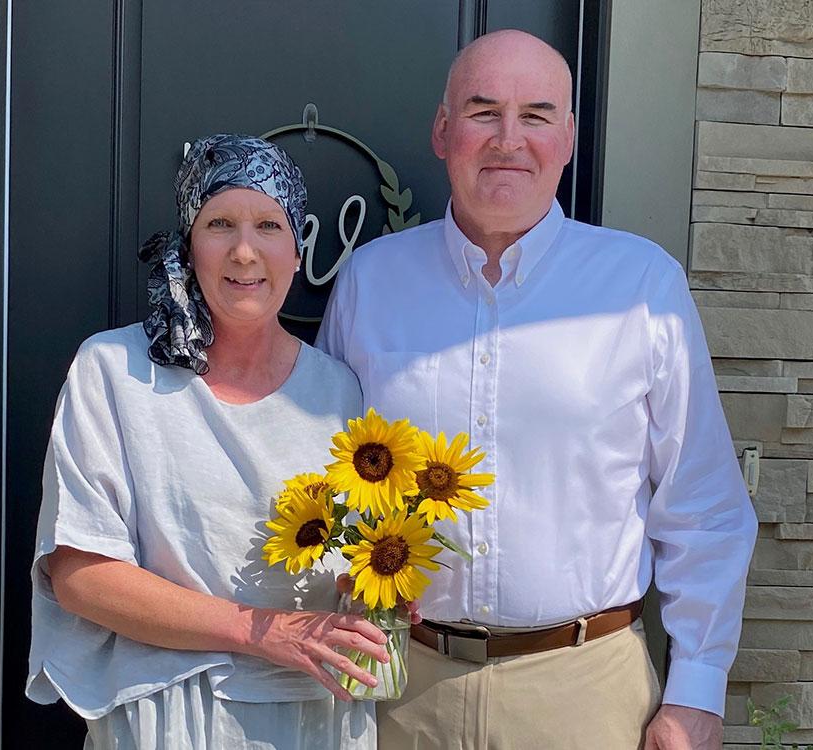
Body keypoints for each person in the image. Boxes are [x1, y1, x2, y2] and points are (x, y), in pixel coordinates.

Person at [317, 30, 758, 749]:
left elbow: (703, 507)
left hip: (587, 691)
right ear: (442, 130)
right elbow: (327, 474)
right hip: (402, 691)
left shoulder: (642, 287)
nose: (508, 140)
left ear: (569, 137)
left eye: (537, 115)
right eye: (483, 111)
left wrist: (697, 693)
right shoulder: (371, 281)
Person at [26, 134, 388, 750]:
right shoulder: (115, 372)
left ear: (297, 250)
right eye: (220, 223)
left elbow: (364, 568)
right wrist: (262, 630)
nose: (245, 251)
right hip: (163, 717)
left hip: (312, 716)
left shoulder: (341, 395)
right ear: (189, 247)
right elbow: (80, 575)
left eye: (269, 225)